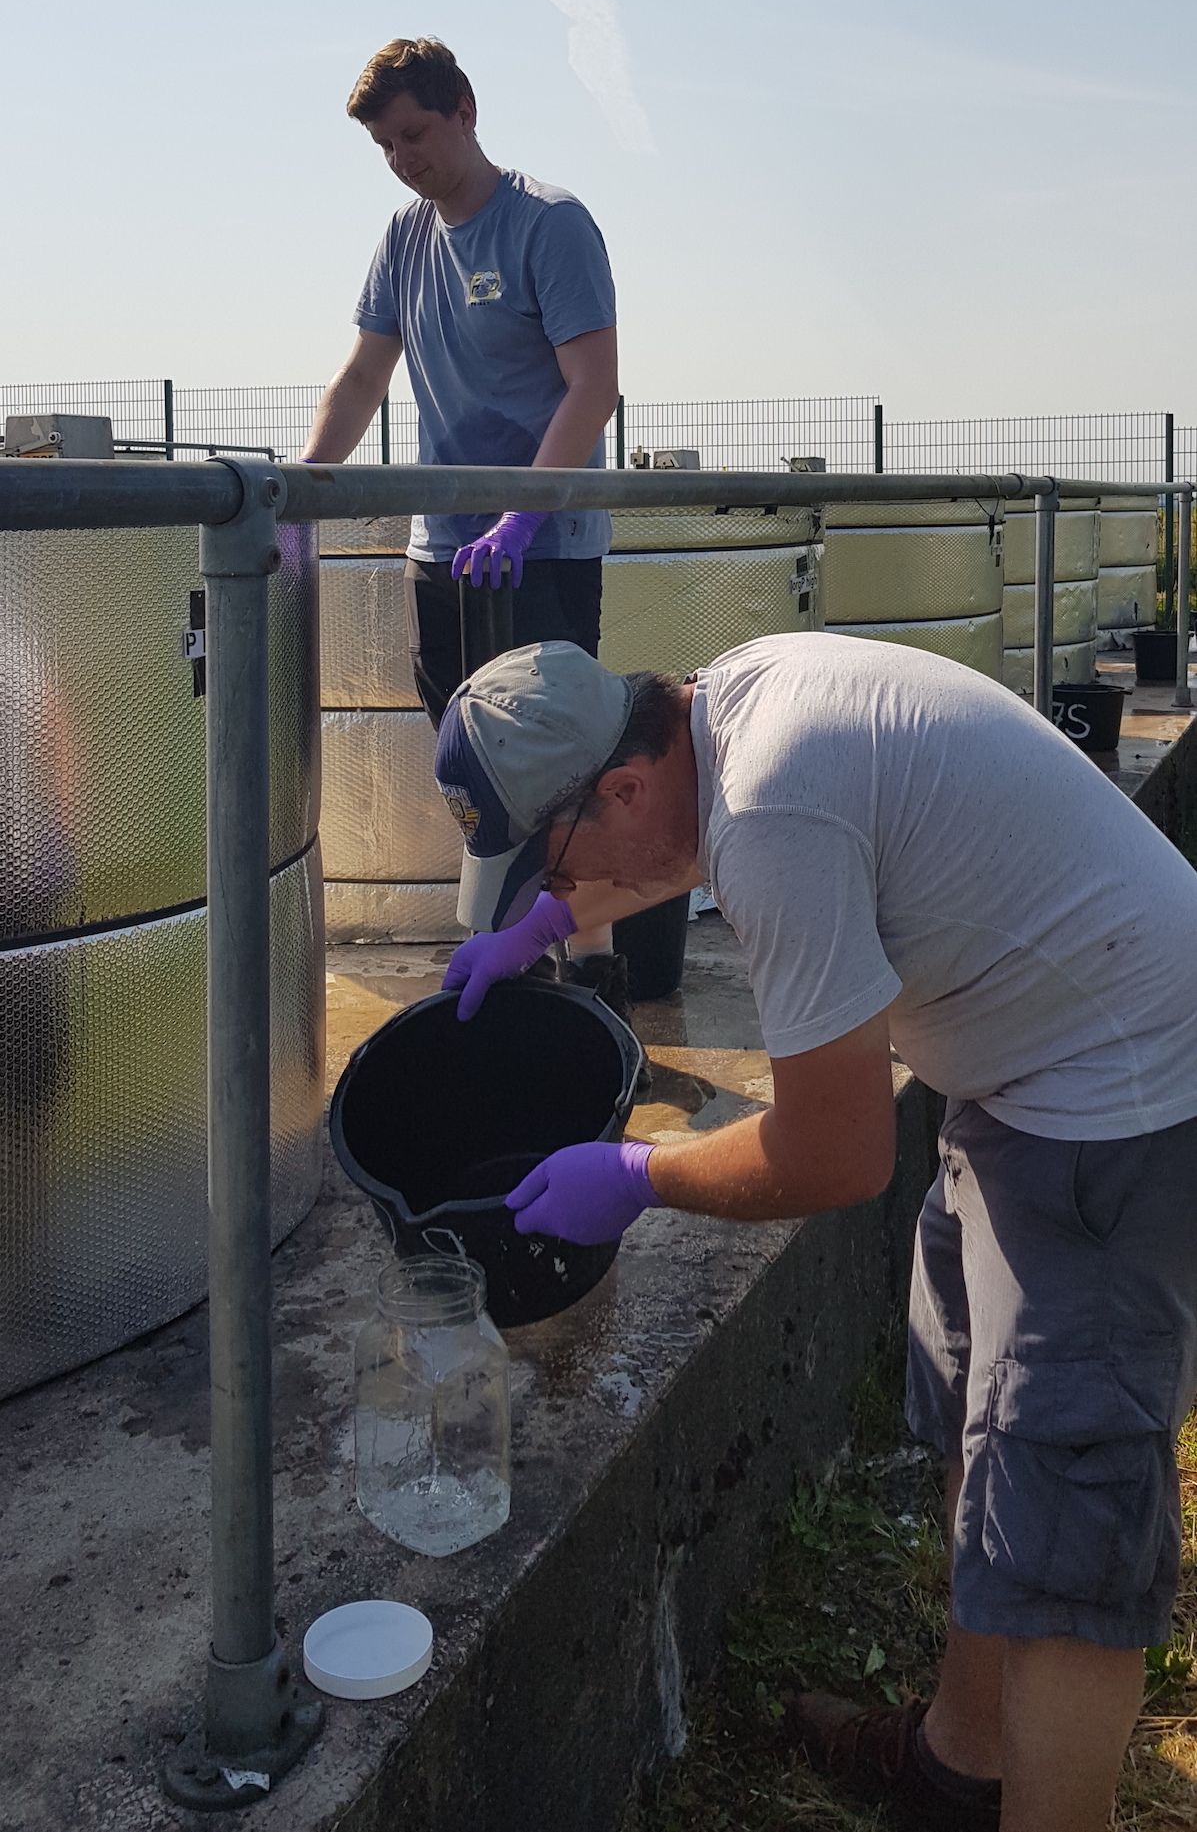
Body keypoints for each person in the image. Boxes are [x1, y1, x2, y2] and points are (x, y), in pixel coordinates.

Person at [433, 631, 1197, 1832]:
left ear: (621, 784)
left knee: (1066, 1537)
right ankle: (962, 1761)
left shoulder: (772, 807)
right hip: (1024, 1066)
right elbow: (663, 846)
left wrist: (636, 1174)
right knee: (974, 1419)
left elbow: (837, 1154)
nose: (558, 893)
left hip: (1120, 1097)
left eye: (551, 865)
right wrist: (530, 937)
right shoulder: (717, 716)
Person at [301, 34, 640, 1043]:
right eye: (386, 146)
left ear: (465, 110)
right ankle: (510, 960)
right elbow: (364, 377)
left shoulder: (549, 225)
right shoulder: (404, 239)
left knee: (559, 767)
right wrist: (297, 497)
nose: (404, 158)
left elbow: (594, 386)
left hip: (543, 550)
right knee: (475, 772)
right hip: (444, 554)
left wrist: (524, 514)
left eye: (415, 133)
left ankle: (594, 970)